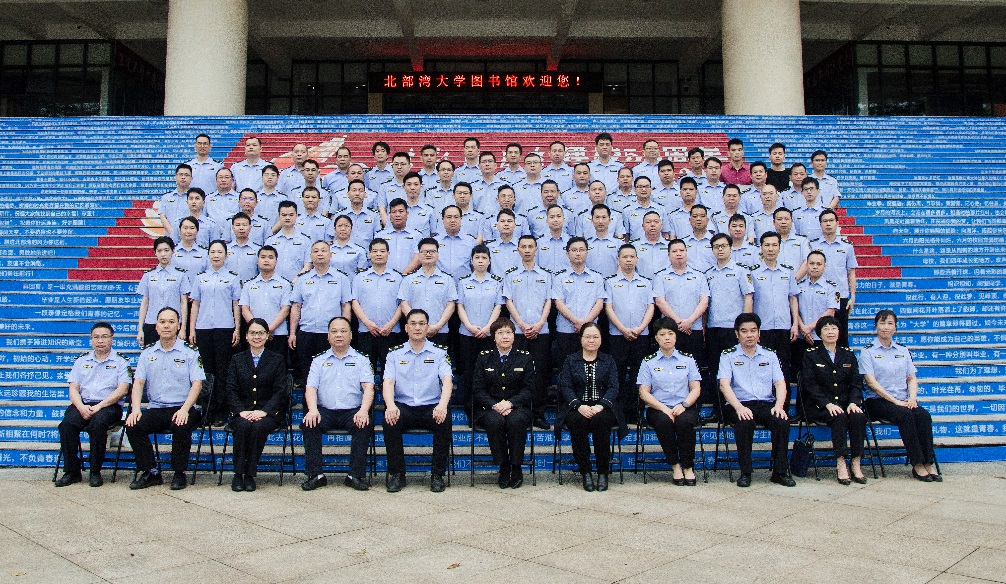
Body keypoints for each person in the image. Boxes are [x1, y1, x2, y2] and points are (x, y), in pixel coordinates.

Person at [125, 307, 206, 490]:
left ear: (179, 325)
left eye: (171, 322)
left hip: (183, 407)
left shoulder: (190, 352)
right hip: (156, 408)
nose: (166, 326)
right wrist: (136, 409)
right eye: (162, 322)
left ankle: (179, 472)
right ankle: (150, 472)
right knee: (133, 425)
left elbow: (197, 384)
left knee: (181, 425)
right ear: (156, 326)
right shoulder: (147, 353)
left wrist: (184, 409)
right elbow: (138, 383)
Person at [859, 310, 941, 482]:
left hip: (903, 400)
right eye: (882, 323)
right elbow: (871, 382)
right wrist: (896, 401)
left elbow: (911, 378)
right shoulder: (867, 352)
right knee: (905, 416)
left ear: (895, 327)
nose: (886, 327)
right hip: (877, 401)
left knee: (923, 415)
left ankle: (928, 462)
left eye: (890, 323)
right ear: (875, 326)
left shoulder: (903, 350)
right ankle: (917, 464)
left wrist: (912, 398)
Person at [718, 313, 794, 488]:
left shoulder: (770, 355)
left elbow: (780, 383)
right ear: (737, 334)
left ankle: (780, 472)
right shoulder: (728, 355)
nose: (749, 335)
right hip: (739, 404)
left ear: (759, 333)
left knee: (781, 421)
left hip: (765, 403)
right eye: (744, 331)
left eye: (753, 330)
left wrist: (779, 406)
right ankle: (745, 472)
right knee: (744, 422)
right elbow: (724, 385)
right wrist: (739, 408)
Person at [300, 317, 375, 492]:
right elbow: (311, 388)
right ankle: (316, 475)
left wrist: (364, 411)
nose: (338, 335)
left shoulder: (361, 360)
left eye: (343, 331)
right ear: (328, 336)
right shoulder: (318, 360)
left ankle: (355, 475)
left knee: (364, 424)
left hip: (353, 411)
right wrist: (312, 410)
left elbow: (369, 388)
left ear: (351, 335)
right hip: (325, 411)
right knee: (309, 423)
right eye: (334, 331)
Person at [382, 309, 454, 493]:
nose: (417, 327)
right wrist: (390, 406)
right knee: (390, 420)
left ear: (427, 327)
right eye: (413, 323)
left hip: (431, 406)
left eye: (421, 324)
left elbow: (447, 381)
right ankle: (397, 474)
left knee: (444, 420)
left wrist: (442, 406)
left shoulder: (439, 353)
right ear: (406, 328)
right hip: (404, 406)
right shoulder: (394, 354)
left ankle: (437, 475)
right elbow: (388, 382)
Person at [55, 322, 131, 487]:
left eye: (104, 337)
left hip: (109, 406)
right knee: (67, 425)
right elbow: (73, 388)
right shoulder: (81, 361)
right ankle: (72, 471)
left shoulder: (121, 362)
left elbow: (122, 390)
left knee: (97, 425)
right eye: (96, 337)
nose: (100, 341)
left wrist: (99, 406)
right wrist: (81, 407)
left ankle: (95, 471)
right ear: (91, 339)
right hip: (83, 404)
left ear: (112, 339)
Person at [555, 322, 627, 492]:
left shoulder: (608, 360)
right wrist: (578, 405)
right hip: (577, 407)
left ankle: (603, 472)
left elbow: (614, 387)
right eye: (587, 337)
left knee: (601, 422)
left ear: (601, 339)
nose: (591, 340)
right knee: (577, 422)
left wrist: (601, 405)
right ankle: (585, 471)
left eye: (595, 337)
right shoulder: (571, 360)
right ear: (581, 339)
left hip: (603, 408)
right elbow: (566, 386)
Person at [800, 316, 867, 485]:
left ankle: (856, 461)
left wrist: (854, 402)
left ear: (839, 331)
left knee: (858, 416)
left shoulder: (848, 354)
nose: (830, 332)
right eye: (826, 329)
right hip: (819, 406)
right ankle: (841, 461)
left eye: (834, 328)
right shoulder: (811, 355)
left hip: (845, 404)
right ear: (819, 333)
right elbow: (810, 384)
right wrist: (827, 404)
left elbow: (856, 383)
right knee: (839, 417)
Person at [225, 318, 290, 492]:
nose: (256, 337)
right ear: (246, 336)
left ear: (267, 336)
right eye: (253, 333)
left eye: (261, 333)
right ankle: (238, 474)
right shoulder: (237, 359)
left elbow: (280, 391)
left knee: (258, 427)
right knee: (243, 426)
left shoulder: (277, 359)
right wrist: (240, 411)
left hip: (268, 413)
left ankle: (249, 474)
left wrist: (265, 411)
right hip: (243, 412)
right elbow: (231, 389)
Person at [637, 318, 702, 486]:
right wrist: (664, 409)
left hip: (684, 406)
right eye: (662, 334)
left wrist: (684, 405)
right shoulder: (648, 362)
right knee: (664, 422)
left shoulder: (688, 359)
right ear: (656, 338)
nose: (667, 337)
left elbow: (696, 388)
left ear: (676, 336)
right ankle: (675, 466)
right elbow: (643, 392)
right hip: (658, 408)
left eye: (670, 333)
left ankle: (688, 466)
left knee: (684, 422)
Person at [472, 318, 535, 489]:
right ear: (494, 337)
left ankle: (516, 467)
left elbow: (529, 389)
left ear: (514, 336)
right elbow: (477, 389)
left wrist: (510, 403)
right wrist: (495, 405)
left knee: (516, 421)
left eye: (508, 332)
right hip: (489, 408)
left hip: (517, 407)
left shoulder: (525, 357)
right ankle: (503, 467)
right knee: (495, 421)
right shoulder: (484, 357)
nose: (505, 336)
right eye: (500, 333)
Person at [188, 240, 242, 424]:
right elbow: (195, 304)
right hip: (203, 329)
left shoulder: (233, 277)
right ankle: (207, 410)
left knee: (222, 370)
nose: (216, 255)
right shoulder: (200, 278)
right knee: (206, 370)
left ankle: (221, 411)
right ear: (208, 254)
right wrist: (192, 329)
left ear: (226, 255)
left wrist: (237, 329)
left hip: (224, 328)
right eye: (213, 252)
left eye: (220, 252)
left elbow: (236, 305)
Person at [504, 235, 553, 430]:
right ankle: (518, 413)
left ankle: (537, 414)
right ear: (518, 250)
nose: (526, 250)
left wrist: (540, 323)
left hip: (541, 331)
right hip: (518, 332)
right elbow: (509, 301)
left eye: (530, 246)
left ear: (536, 249)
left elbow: (549, 301)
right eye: (523, 247)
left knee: (539, 373)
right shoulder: (510, 275)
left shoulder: (546, 275)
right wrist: (521, 325)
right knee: (516, 373)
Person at [289, 241, 353, 385]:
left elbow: (345, 306)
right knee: (307, 377)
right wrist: (293, 333)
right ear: (311, 256)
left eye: (323, 251)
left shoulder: (341, 278)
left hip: (331, 334)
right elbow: (296, 307)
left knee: (331, 377)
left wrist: (345, 332)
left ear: (331, 255)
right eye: (316, 251)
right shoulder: (302, 279)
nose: (320, 254)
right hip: (307, 333)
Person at [604, 243, 655, 421]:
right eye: (624, 257)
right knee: (617, 374)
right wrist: (623, 329)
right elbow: (608, 308)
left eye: (632, 256)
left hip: (641, 335)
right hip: (617, 335)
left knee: (638, 374)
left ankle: (636, 412)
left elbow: (650, 307)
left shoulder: (646, 283)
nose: (628, 260)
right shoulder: (610, 282)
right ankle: (617, 413)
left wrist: (640, 328)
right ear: (618, 260)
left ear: (637, 259)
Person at [456, 244, 504, 417]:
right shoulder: (463, 282)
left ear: (489, 261)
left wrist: (488, 328)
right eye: (477, 257)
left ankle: (488, 409)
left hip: (489, 334)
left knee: (489, 372)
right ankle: (470, 409)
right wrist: (469, 326)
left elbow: (498, 306)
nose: (481, 261)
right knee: (469, 372)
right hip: (467, 333)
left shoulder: (496, 282)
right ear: (471, 261)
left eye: (484, 258)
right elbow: (460, 306)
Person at [551, 237, 607, 364]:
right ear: (567, 254)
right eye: (574, 250)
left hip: (591, 331)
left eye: (581, 250)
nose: (578, 253)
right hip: (566, 330)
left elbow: (599, 303)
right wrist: (576, 321)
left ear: (587, 253)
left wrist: (585, 324)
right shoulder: (559, 277)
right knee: (566, 366)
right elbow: (558, 303)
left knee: (590, 365)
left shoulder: (597, 277)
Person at [351, 238, 403, 374]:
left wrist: (391, 324)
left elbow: (402, 304)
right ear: (369, 254)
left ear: (388, 254)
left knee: (391, 373)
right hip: (366, 332)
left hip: (391, 332)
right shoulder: (359, 278)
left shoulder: (397, 277)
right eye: (375, 251)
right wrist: (367, 323)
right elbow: (355, 302)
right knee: (366, 373)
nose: (378, 254)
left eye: (382, 251)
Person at [397, 237, 458, 347]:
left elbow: (451, 305)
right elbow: (404, 304)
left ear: (438, 254)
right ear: (419, 255)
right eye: (424, 252)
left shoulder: (448, 279)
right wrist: (417, 324)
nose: (428, 254)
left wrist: (437, 326)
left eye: (432, 251)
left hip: (439, 331)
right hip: (415, 332)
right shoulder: (408, 279)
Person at [812, 209, 858, 347]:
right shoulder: (813, 245)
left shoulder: (847, 246)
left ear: (837, 223)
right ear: (820, 224)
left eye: (831, 221)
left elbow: (851, 272)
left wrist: (852, 296)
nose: (828, 224)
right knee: (820, 334)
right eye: (825, 221)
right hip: (820, 295)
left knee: (841, 336)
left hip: (840, 296)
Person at [239, 245, 292, 362]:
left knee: (277, 367)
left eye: (270, 257)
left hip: (278, 334)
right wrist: (259, 330)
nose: (266, 260)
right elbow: (245, 309)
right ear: (257, 261)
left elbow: (285, 310)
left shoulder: (285, 285)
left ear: (276, 261)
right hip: (254, 336)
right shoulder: (248, 285)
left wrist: (268, 330)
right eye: (263, 257)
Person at [136, 237, 190, 347]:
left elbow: (184, 303)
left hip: (173, 324)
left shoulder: (181, 275)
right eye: (159, 251)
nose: (163, 254)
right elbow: (144, 303)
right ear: (155, 253)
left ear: (172, 251)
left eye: (166, 250)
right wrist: (140, 329)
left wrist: (183, 328)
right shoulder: (148, 275)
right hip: (152, 323)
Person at [264, 201, 312, 282]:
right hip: (274, 284)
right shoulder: (270, 241)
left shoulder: (305, 241)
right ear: (279, 216)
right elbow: (265, 266)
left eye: (291, 215)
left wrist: (296, 280)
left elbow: (308, 265)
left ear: (296, 216)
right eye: (284, 215)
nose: (287, 218)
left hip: (298, 283)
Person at [158, 164, 193, 239]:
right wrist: (173, 233)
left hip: (189, 238)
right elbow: (162, 217)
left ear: (191, 179)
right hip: (170, 237)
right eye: (180, 174)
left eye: (186, 175)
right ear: (175, 177)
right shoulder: (166, 197)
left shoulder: (194, 198)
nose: (183, 177)